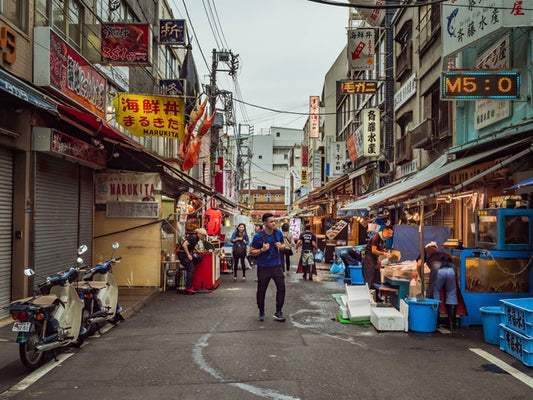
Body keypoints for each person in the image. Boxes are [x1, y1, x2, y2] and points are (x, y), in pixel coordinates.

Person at [250, 213, 286, 322]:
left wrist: (281, 246)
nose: (274, 223)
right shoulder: (257, 236)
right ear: (265, 223)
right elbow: (251, 251)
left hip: (277, 266)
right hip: (263, 267)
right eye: (271, 221)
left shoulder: (278, 232)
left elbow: (284, 245)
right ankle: (261, 311)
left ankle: (278, 312)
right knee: (261, 290)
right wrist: (261, 250)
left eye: (274, 221)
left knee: (282, 288)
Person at [417, 242, 459, 332]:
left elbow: (419, 264)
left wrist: (420, 276)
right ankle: (451, 324)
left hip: (438, 269)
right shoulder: (441, 251)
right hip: (451, 269)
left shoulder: (425, 250)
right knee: (452, 294)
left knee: (435, 294)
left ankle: (436, 322)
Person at [363, 226, 393, 301]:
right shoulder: (376, 237)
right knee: (370, 277)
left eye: (391, 234)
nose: (390, 235)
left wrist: (386, 251)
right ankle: (367, 297)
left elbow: (381, 248)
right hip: (369, 259)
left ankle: (376, 297)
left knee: (377, 277)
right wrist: (384, 253)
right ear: (385, 231)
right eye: (389, 233)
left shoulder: (384, 239)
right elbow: (373, 250)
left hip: (375, 259)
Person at [176, 228, 208, 294]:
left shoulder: (196, 238)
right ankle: (188, 287)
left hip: (186, 253)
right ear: (199, 234)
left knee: (199, 259)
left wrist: (197, 251)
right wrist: (188, 255)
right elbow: (184, 245)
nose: (203, 237)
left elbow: (192, 245)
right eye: (203, 235)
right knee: (190, 268)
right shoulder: (193, 237)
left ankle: (190, 264)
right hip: (182, 254)